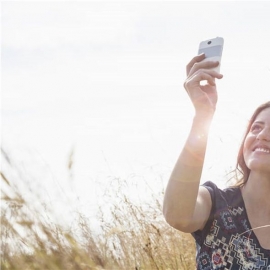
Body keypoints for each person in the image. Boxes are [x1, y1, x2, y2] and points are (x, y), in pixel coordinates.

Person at [163, 53, 270, 269]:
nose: (262, 135)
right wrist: (203, 116)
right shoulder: (215, 203)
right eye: (256, 127)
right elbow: (177, 216)